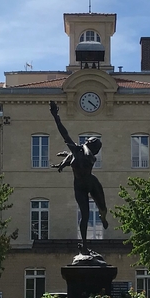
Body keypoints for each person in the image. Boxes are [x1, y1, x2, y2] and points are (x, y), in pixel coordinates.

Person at [49, 101, 108, 252]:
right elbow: (64, 133)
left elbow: (83, 154)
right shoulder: (76, 151)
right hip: (79, 187)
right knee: (85, 215)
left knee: (103, 207)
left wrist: (77, 151)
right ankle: (85, 245)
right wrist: (56, 117)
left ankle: (103, 218)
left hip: (91, 183)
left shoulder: (90, 157)